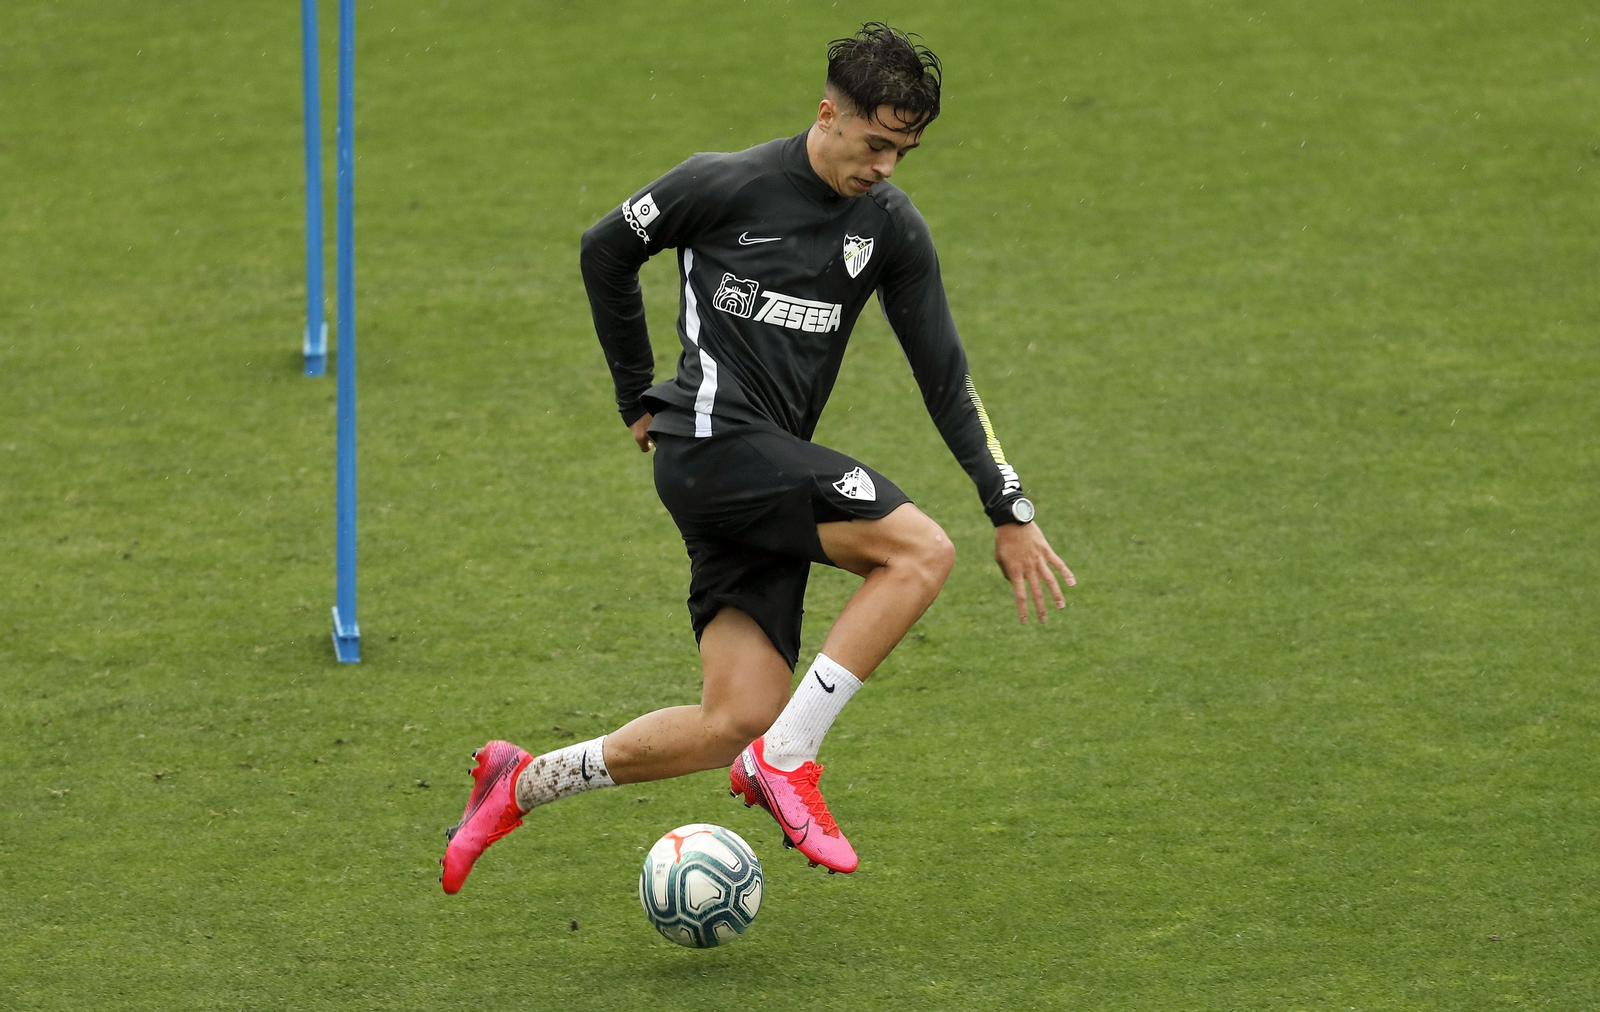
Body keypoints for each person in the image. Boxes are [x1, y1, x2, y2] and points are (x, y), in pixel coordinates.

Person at [441, 22, 1073, 894]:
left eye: (905, 150)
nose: (887, 166)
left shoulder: (889, 228)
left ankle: (522, 781)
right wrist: (637, 396)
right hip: (709, 444)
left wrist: (1009, 501)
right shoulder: (723, 184)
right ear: (827, 114)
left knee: (732, 719)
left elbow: (945, 376)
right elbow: (605, 249)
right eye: (876, 143)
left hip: (762, 471)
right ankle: (791, 762)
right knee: (920, 551)